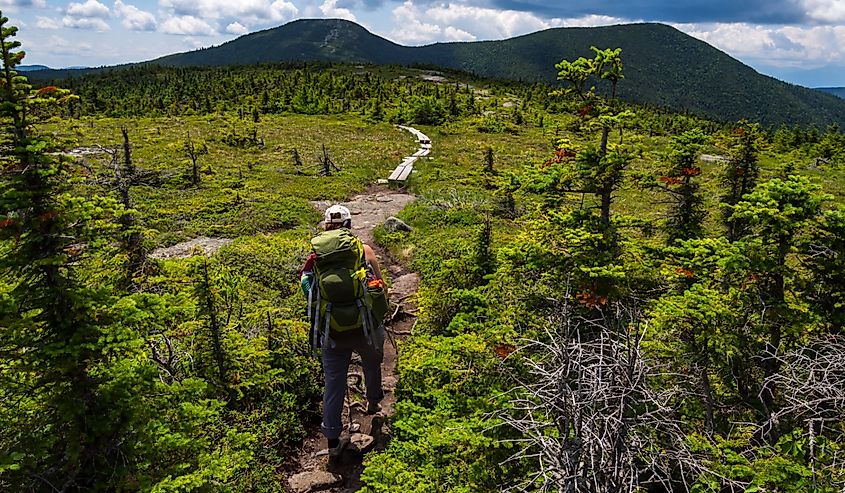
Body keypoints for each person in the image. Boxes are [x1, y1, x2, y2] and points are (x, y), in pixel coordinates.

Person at [300, 204, 385, 461]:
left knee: (334, 382)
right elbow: (379, 285)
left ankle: (333, 439)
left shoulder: (316, 257)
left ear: (326, 226)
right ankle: (373, 402)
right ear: (348, 225)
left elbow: (306, 285)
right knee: (372, 361)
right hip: (364, 326)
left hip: (331, 330)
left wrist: (328, 308)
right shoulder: (363, 250)